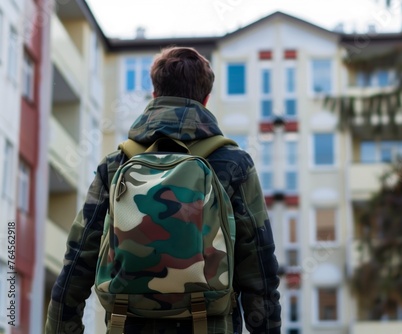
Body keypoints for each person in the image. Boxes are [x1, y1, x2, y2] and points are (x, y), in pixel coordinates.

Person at [45, 46, 281, 333]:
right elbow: (259, 268)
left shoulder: (116, 164)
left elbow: (77, 262)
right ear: (206, 100)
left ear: (155, 94)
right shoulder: (234, 164)